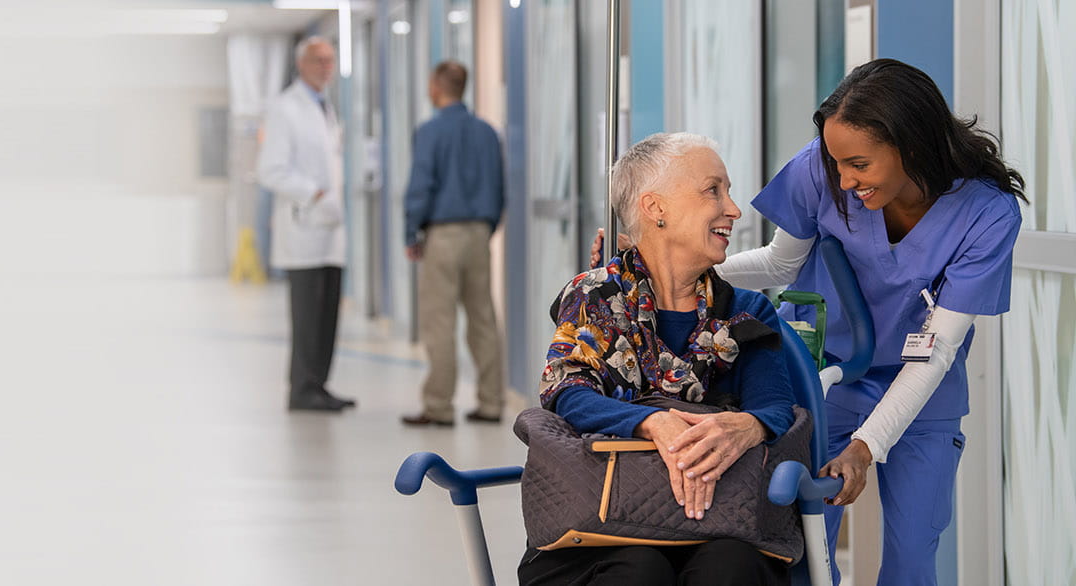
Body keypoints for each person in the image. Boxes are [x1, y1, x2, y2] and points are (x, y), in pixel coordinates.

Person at [589, 59, 1026, 585]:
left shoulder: (987, 213)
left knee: (912, 558)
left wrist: (866, 447)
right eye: (836, 164)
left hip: (922, 392)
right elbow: (780, 263)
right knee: (807, 555)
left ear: (910, 145)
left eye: (859, 165)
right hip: (826, 379)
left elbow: (935, 350)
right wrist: (659, 261)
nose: (843, 180)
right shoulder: (821, 168)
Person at [521, 133, 795, 585]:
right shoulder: (595, 296)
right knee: (637, 572)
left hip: (719, 522)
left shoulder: (748, 312)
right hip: (601, 522)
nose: (734, 209)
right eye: (713, 190)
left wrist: (748, 426)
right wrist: (654, 422)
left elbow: (774, 407)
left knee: (728, 569)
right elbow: (566, 390)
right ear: (655, 208)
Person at [399, 61, 507, 427]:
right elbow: (498, 188)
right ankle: (492, 402)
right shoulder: (487, 133)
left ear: (436, 86)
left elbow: (421, 186)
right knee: (483, 317)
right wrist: (486, 227)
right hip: (478, 233)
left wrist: (412, 232)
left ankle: (439, 406)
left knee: (439, 320)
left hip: (442, 235)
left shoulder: (430, 132)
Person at [257, 37, 357, 412]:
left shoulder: (324, 108)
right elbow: (271, 170)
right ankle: (301, 388)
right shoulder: (286, 108)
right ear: (301, 64)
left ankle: (319, 384)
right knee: (307, 318)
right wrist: (312, 194)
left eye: (330, 60)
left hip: (329, 229)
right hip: (304, 228)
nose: (325, 67)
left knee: (327, 315)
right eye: (318, 60)